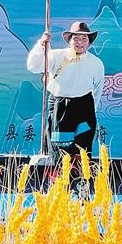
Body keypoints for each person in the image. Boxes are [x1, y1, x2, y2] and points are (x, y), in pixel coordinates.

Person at [27, 21, 104, 166]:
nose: (80, 42)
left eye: (84, 39)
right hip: (60, 106)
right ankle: (61, 177)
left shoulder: (96, 63)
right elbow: (33, 66)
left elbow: (98, 89)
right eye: (76, 38)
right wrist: (41, 45)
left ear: (89, 42)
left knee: (83, 147)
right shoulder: (56, 56)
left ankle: (81, 177)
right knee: (61, 147)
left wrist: (92, 109)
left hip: (84, 107)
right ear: (69, 40)